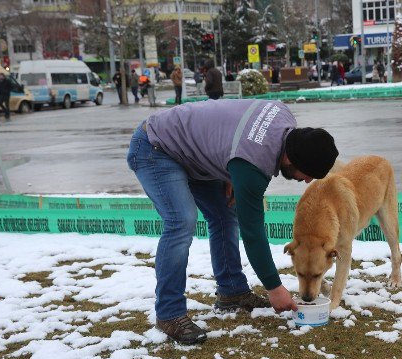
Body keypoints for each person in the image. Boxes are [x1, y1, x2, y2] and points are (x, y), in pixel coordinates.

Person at [127, 99, 339, 344]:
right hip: (155, 146)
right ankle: (169, 313)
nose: (306, 182)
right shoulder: (252, 167)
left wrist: (230, 170)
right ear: (292, 161)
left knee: (225, 213)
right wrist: (274, 288)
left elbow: (236, 140)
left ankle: (231, 292)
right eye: (308, 175)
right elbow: (253, 233)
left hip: (192, 152)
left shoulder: (283, 117)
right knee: (181, 221)